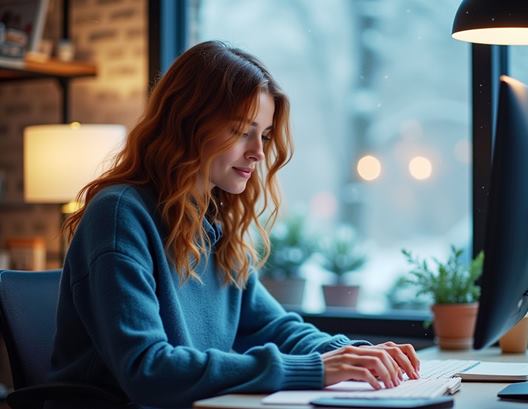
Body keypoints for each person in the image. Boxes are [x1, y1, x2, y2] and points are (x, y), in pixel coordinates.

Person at [50, 40, 420, 409]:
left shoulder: (213, 223)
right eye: (242, 131)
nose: (259, 152)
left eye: (265, 135)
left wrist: (351, 354)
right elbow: (149, 370)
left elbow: (273, 327)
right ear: (187, 123)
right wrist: (316, 369)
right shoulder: (119, 215)